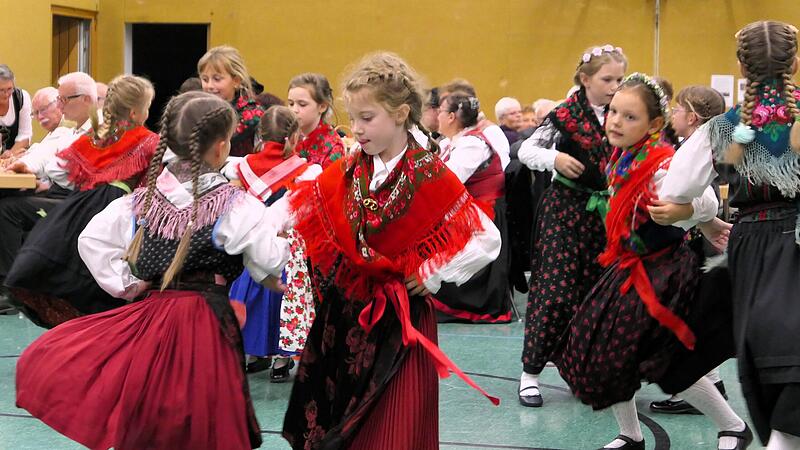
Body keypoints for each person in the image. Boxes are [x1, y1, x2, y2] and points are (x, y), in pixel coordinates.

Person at [16, 91, 290, 449]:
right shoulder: (237, 205)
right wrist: (282, 242)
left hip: (151, 317)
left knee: (152, 412)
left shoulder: (139, 201)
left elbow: (92, 241)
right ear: (222, 147)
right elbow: (269, 259)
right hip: (206, 323)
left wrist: (128, 285)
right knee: (201, 416)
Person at [282, 52, 500, 450]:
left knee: (393, 429)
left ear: (401, 114)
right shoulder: (351, 167)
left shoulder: (428, 173)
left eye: (368, 118)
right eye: (354, 119)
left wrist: (432, 272)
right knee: (340, 426)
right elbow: (306, 207)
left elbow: (486, 238)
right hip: (345, 316)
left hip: (399, 324)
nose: (358, 129)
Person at [557, 72, 750, 450]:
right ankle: (630, 434)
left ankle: (733, 426)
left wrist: (693, 212)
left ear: (655, 125)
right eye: (613, 112)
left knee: (661, 359)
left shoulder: (662, 162)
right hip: (629, 264)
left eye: (630, 117)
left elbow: (706, 198)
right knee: (611, 351)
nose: (616, 121)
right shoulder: (623, 156)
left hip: (663, 269)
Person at [658, 20, 800, 449]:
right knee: (791, 384)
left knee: (782, 381)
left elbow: (676, 189)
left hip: (753, 250)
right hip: (790, 248)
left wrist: (702, 214)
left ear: (741, 66)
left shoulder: (730, 127)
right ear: (794, 62)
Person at [517, 44, 626, 408]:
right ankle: (530, 374)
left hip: (603, 215)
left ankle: (584, 372)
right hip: (563, 212)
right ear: (585, 79)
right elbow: (526, 150)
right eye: (607, 79)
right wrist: (555, 158)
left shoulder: (622, 115)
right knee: (555, 290)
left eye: (619, 79)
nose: (614, 86)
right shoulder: (564, 115)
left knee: (596, 294)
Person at [5, 75, 158, 328]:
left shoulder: (98, 136)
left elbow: (57, 168)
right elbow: (155, 180)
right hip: (118, 207)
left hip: (81, 205)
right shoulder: (147, 140)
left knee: (75, 260)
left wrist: (86, 183)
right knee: (104, 272)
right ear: (135, 111)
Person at [649, 85, 729, 415]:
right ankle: (711, 380)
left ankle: (705, 384)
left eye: (678, 110)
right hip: (688, 239)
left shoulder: (692, 149)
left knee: (686, 316)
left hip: (686, 245)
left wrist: (688, 213)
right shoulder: (687, 145)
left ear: (692, 117)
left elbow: (708, 198)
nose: (673, 115)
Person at [225, 105, 322, 380]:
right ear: (293, 137)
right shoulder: (305, 171)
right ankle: (281, 362)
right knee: (285, 296)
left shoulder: (242, 166)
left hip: (251, 238)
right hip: (287, 242)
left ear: (260, 134)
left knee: (251, 292)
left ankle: (253, 355)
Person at [0, 72, 97, 288]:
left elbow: (61, 170)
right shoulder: (72, 130)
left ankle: (10, 286)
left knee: (6, 209)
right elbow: (46, 158)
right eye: (59, 100)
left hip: (77, 203)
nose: (61, 107)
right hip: (63, 194)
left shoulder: (91, 132)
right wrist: (28, 166)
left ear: (86, 99)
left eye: (63, 100)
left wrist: (37, 171)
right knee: (9, 200)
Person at [434, 91, 511, 323]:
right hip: (469, 211)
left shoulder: (472, 144)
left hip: (483, 217)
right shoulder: (453, 142)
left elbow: (448, 183)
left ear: (451, 118)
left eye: (440, 112)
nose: (436, 116)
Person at [199, 45, 264, 156]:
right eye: (205, 79)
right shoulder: (197, 109)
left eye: (217, 79)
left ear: (236, 81)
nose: (209, 85)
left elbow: (216, 143)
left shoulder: (252, 113)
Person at [288, 73, 344, 168]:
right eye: (291, 103)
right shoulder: (285, 135)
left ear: (322, 106)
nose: (294, 110)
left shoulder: (333, 146)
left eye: (302, 104)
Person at [0, 64, 31, 156]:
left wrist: (10, 154)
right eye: (1, 90)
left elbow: (25, 135)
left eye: (9, 89)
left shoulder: (21, 98)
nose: (6, 94)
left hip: (15, 156)